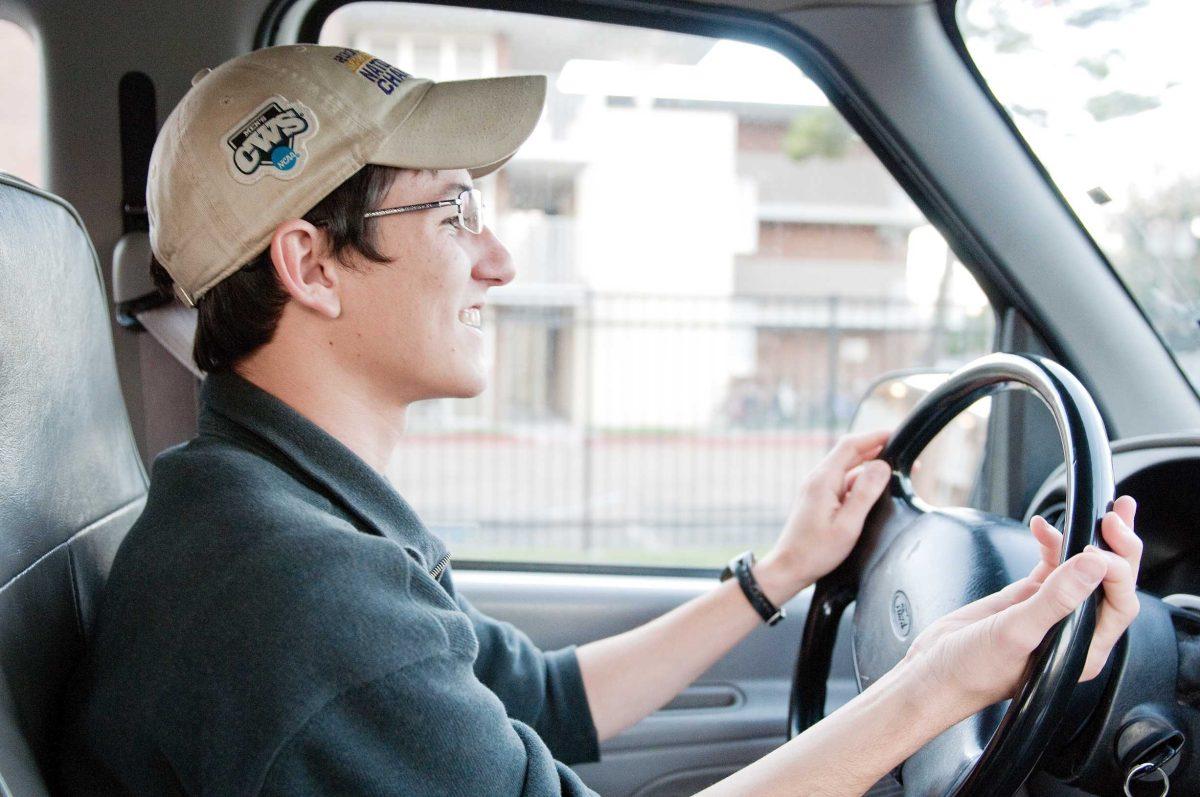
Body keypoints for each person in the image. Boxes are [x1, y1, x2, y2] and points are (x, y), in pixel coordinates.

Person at [57, 45, 1142, 796]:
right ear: (311, 264)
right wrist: (943, 679)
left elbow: (536, 698)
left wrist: (780, 569)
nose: (499, 258)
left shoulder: (271, 509)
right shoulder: (293, 595)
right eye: (451, 209)